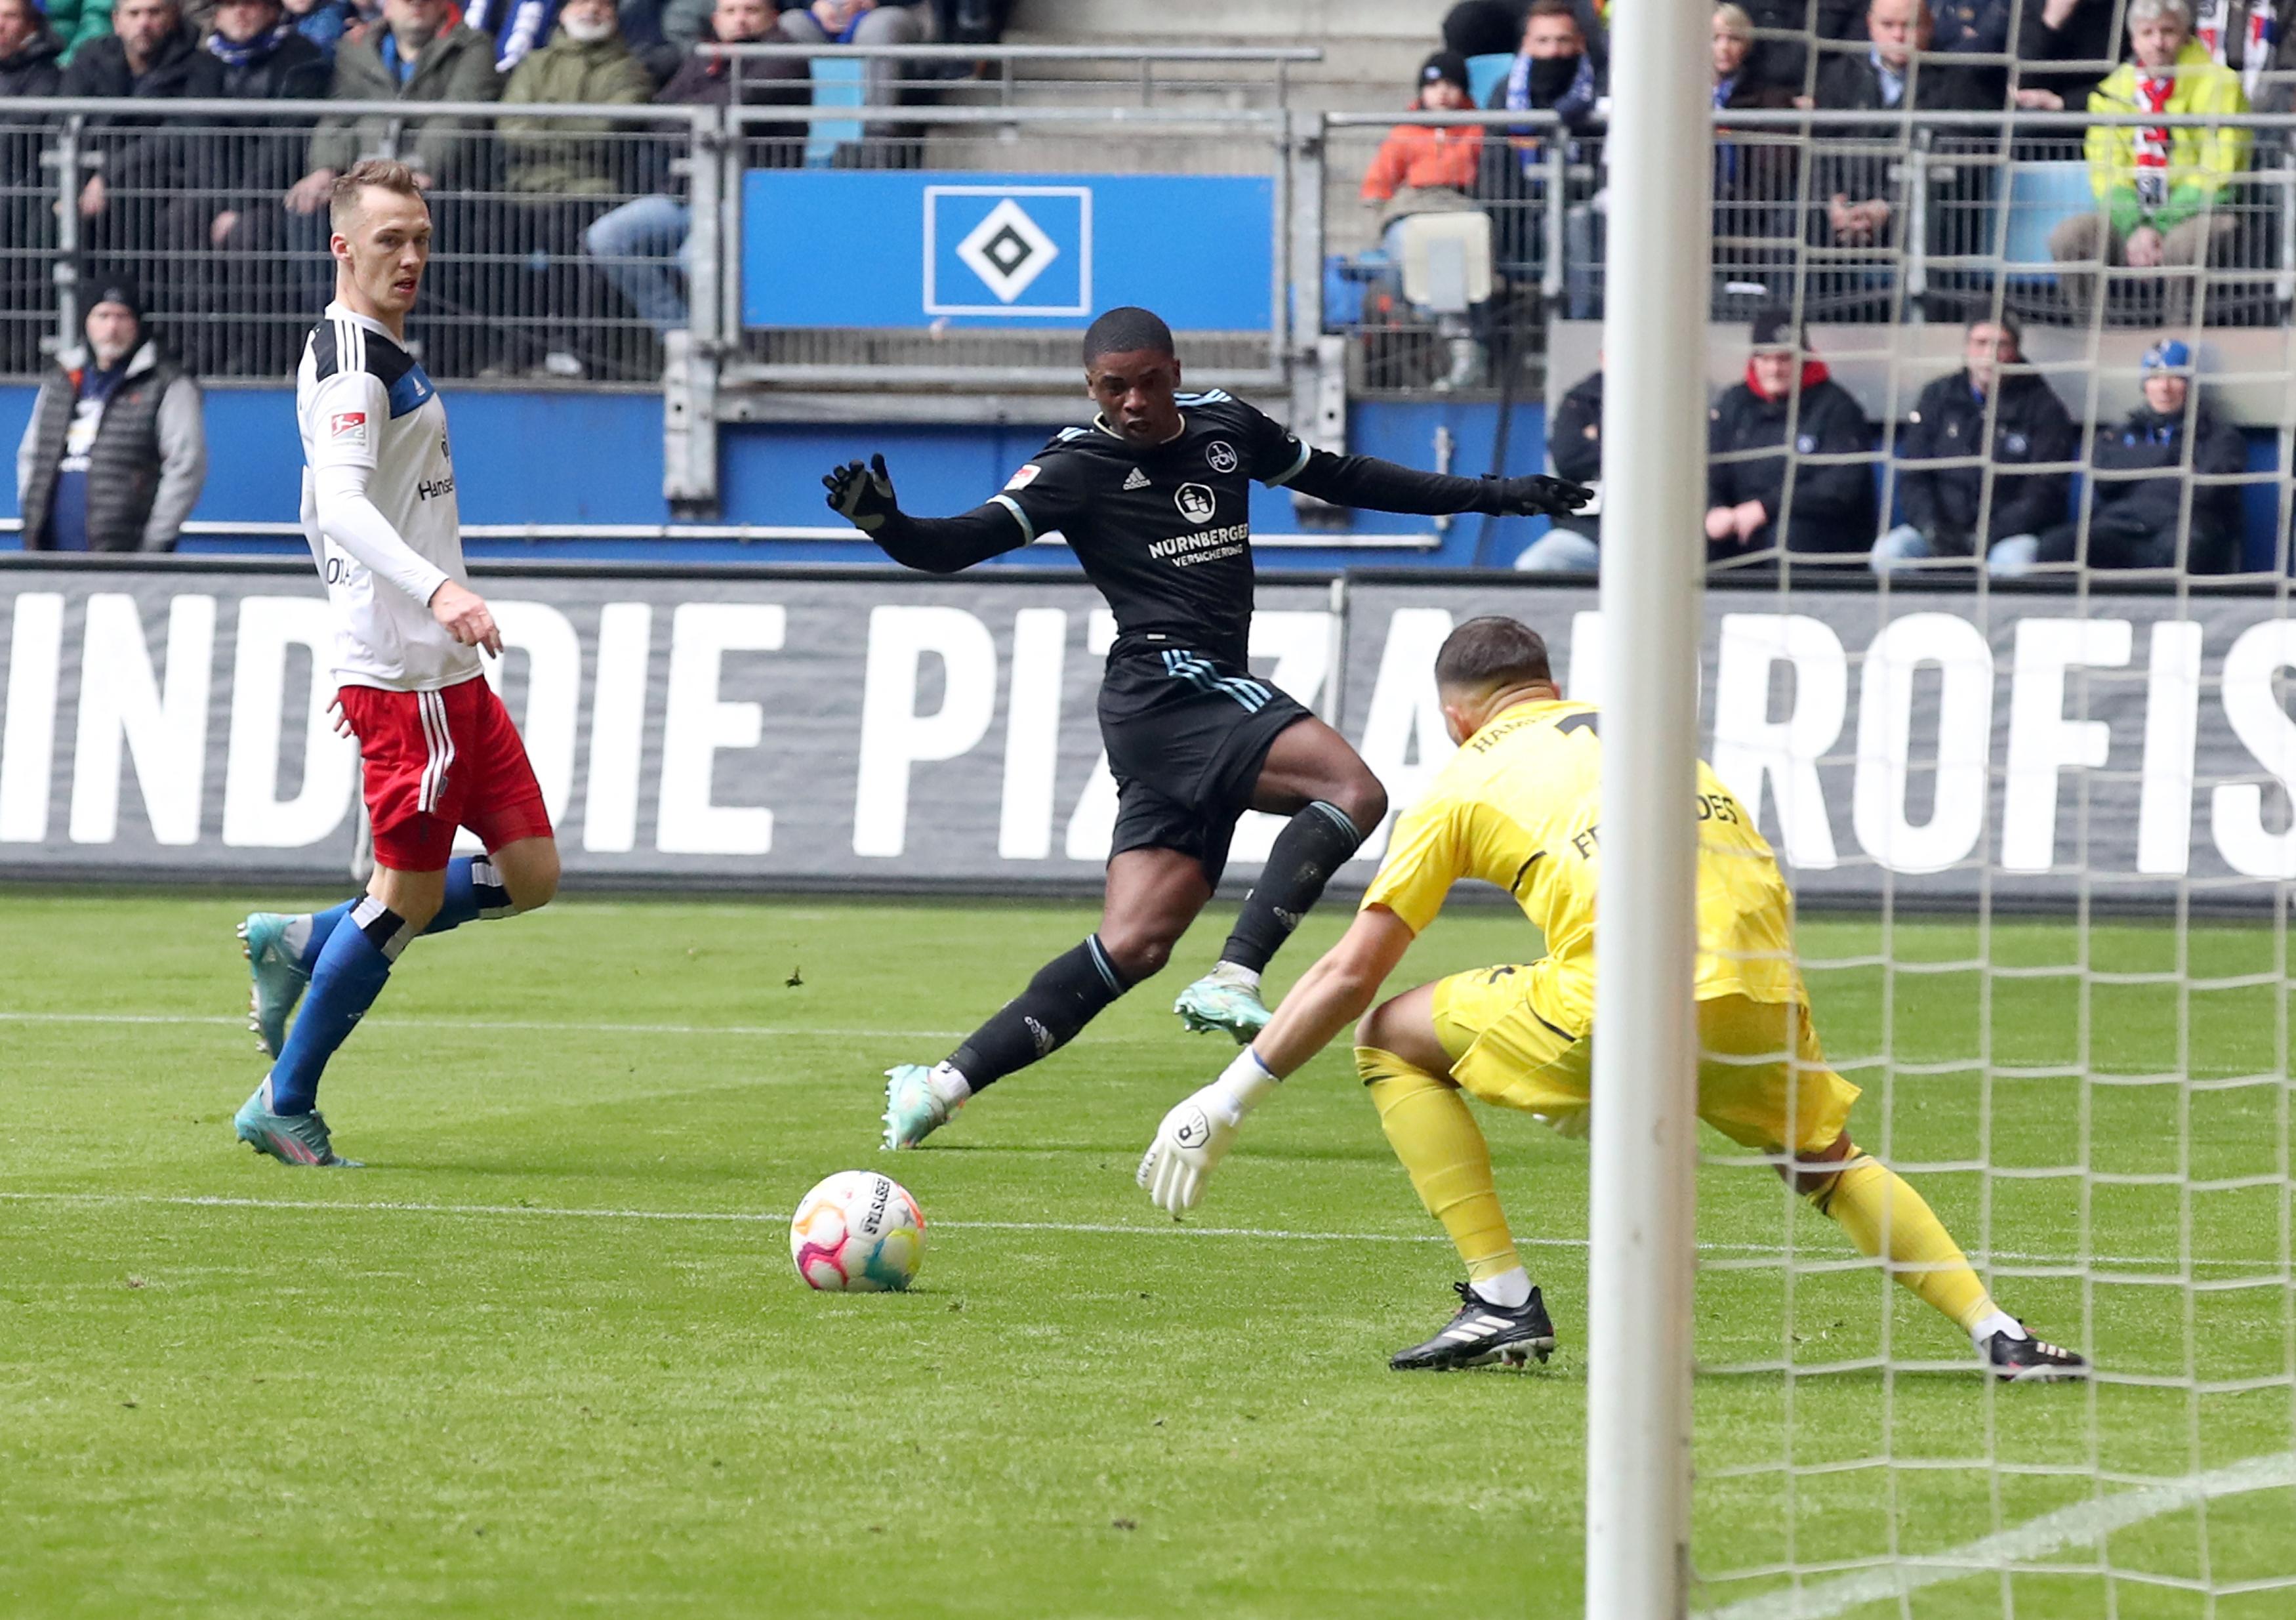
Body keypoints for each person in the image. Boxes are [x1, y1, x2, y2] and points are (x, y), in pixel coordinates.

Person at [1134, 615, 2090, 1384]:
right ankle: (1996, 1331)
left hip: (1627, 998)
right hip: (1760, 987)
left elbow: (1352, 972)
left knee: (1389, 1035)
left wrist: (1226, 1099)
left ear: (1458, 717)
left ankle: (1502, 1297)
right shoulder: (1649, 735)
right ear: (1547, 686)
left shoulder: (1466, 777)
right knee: (1826, 1162)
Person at [821, 306, 1592, 1151]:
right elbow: (955, 544)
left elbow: (1346, 477)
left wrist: (1497, 494)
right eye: (1114, 388)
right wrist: (886, 525)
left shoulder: (1228, 427)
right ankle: (1235, 973)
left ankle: (937, 1087)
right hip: (1164, 685)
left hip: (1192, 703)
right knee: (1352, 790)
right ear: (1091, 389)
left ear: (1175, 372)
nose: (1134, 403)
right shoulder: (1071, 468)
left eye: (1149, 382)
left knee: (1135, 943)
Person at [233, 159, 561, 1168]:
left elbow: (329, 515)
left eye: (421, 237)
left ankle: (302, 937)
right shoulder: (350, 366)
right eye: (390, 240)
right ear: (341, 245)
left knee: (531, 874)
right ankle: (283, 1102)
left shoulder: (375, 347)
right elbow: (336, 503)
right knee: (408, 900)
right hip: (410, 675)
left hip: (441, 673)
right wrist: (430, 602)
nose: (411, 256)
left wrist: (374, 628)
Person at [584, 0, 800, 341]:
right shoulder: (706, 55)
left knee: (693, 260)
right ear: (716, 19)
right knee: (607, 237)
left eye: (750, 11)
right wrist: (699, 123)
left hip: (749, 196)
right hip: (687, 192)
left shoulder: (786, 57)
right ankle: (681, 337)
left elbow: (735, 107)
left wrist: (694, 115)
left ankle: (728, 349)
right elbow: (660, 116)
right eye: (730, 12)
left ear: (772, 18)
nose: (740, 20)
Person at [289, 0, 502, 331]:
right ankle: (334, 326)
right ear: (386, 6)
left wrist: (414, 172)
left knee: (416, 223)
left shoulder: (471, 47)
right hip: (362, 177)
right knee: (306, 208)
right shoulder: (356, 48)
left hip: (434, 181)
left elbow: (459, 116)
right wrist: (324, 169)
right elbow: (340, 115)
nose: (416, 4)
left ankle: (416, 336)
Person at [2048, 0, 2251, 329]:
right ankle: (2098, 337)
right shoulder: (2112, 92)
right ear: (2134, 40)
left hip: (2206, 212)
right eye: (2148, 33)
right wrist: (2134, 228)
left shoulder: (2221, 85)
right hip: (2132, 215)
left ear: (2186, 35)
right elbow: (2107, 171)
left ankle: (2178, 343)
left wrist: (2158, 227)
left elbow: (2218, 172)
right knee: (2069, 238)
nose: (2158, 43)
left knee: (2182, 246)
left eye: (2168, 31)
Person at [1996, 337, 2248, 574]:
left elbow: (2208, 490)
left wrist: (2138, 466)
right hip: (2120, 528)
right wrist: (2175, 461)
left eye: (2175, 377)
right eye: (2155, 377)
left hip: (2182, 529)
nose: (2164, 387)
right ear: (2145, 384)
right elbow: (2104, 476)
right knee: (2057, 546)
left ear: (2188, 384)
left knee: (2185, 548)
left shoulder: (2219, 437)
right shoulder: (2118, 436)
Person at [498, 0, 656, 375]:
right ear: (563, 12)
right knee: (483, 239)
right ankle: (505, 352)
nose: (592, 10)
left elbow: (608, 131)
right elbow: (509, 127)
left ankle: (576, 347)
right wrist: (572, 130)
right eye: (581, 2)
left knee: (567, 237)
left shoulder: (630, 70)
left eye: (602, 4)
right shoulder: (535, 64)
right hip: (524, 188)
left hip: (593, 189)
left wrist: (545, 126)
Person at [1872, 315, 2076, 572]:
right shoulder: (1937, 397)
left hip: (2008, 536)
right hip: (1941, 528)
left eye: (2000, 345)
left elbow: (2045, 492)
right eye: (1981, 343)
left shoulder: (2044, 407)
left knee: (2013, 564)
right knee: (1889, 554)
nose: (1989, 355)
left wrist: (1991, 534)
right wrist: (1931, 527)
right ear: (1967, 347)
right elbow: (1914, 477)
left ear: (2015, 350)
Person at [14, 281, 206, 552]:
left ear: (138, 324)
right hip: (49, 552)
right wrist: (32, 514)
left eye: (122, 316)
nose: (112, 328)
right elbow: (31, 455)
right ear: (87, 323)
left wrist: (154, 542)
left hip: (126, 558)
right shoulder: (61, 380)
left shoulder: (167, 384)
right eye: (103, 316)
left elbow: (186, 465)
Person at [1706, 308, 1877, 561]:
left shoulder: (1836, 407)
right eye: (1765, 359)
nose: (1774, 369)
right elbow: (1709, 468)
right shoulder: (1733, 404)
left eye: (1784, 359)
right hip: (1740, 526)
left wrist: (1765, 508)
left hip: (1815, 532)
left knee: (1792, 536)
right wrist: (1714, 509)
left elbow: (1841, 488)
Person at [1361, 51, 1488, 391]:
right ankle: (1424, 312)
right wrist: (1378, 200)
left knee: (1453, 252)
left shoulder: (1478, 128)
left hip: (1459, 207)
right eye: (1433, 85)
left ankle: (1461, 349)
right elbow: (1380, 179)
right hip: (1415, 208)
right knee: (1405, 242)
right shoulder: (1406, 132)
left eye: (1451, 84)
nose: (1442, 93)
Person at [1515, 354, 1602, 571]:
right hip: (1590, 530)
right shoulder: (1581, 400)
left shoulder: (1680, 400)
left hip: (1658, 534)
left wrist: (1599, 437)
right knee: (1534, 567)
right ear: (1603, 357)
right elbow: (1568, 458)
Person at [775, 0, 928, 110]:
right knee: (789, 25)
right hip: (819, 18)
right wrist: (814, 4)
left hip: (892, 11)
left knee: (879, 28)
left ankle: (875, 136)